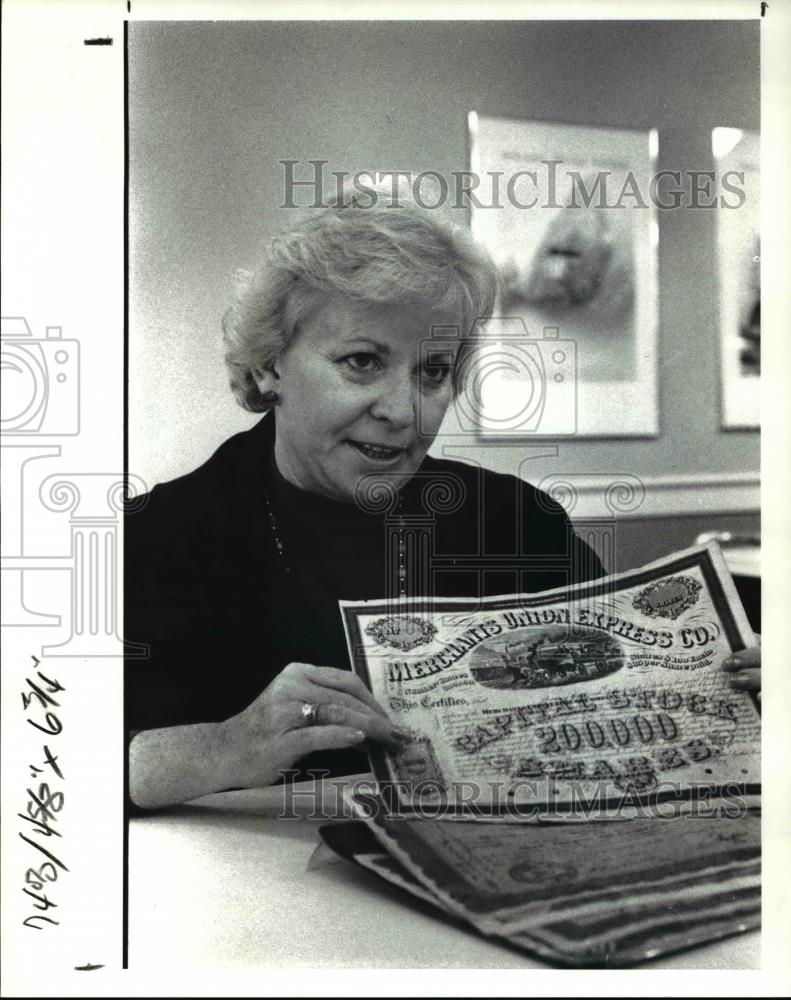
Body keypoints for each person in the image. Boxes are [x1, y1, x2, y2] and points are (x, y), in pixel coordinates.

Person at [126, 187, 760, 811]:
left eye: (433, 373)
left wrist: (733, 697)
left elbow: (627, 717)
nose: (403, 412)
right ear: (270, 366)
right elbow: (45, 771)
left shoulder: (517, 522)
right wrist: (223, 746)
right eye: (362, 362)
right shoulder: (157, 537)